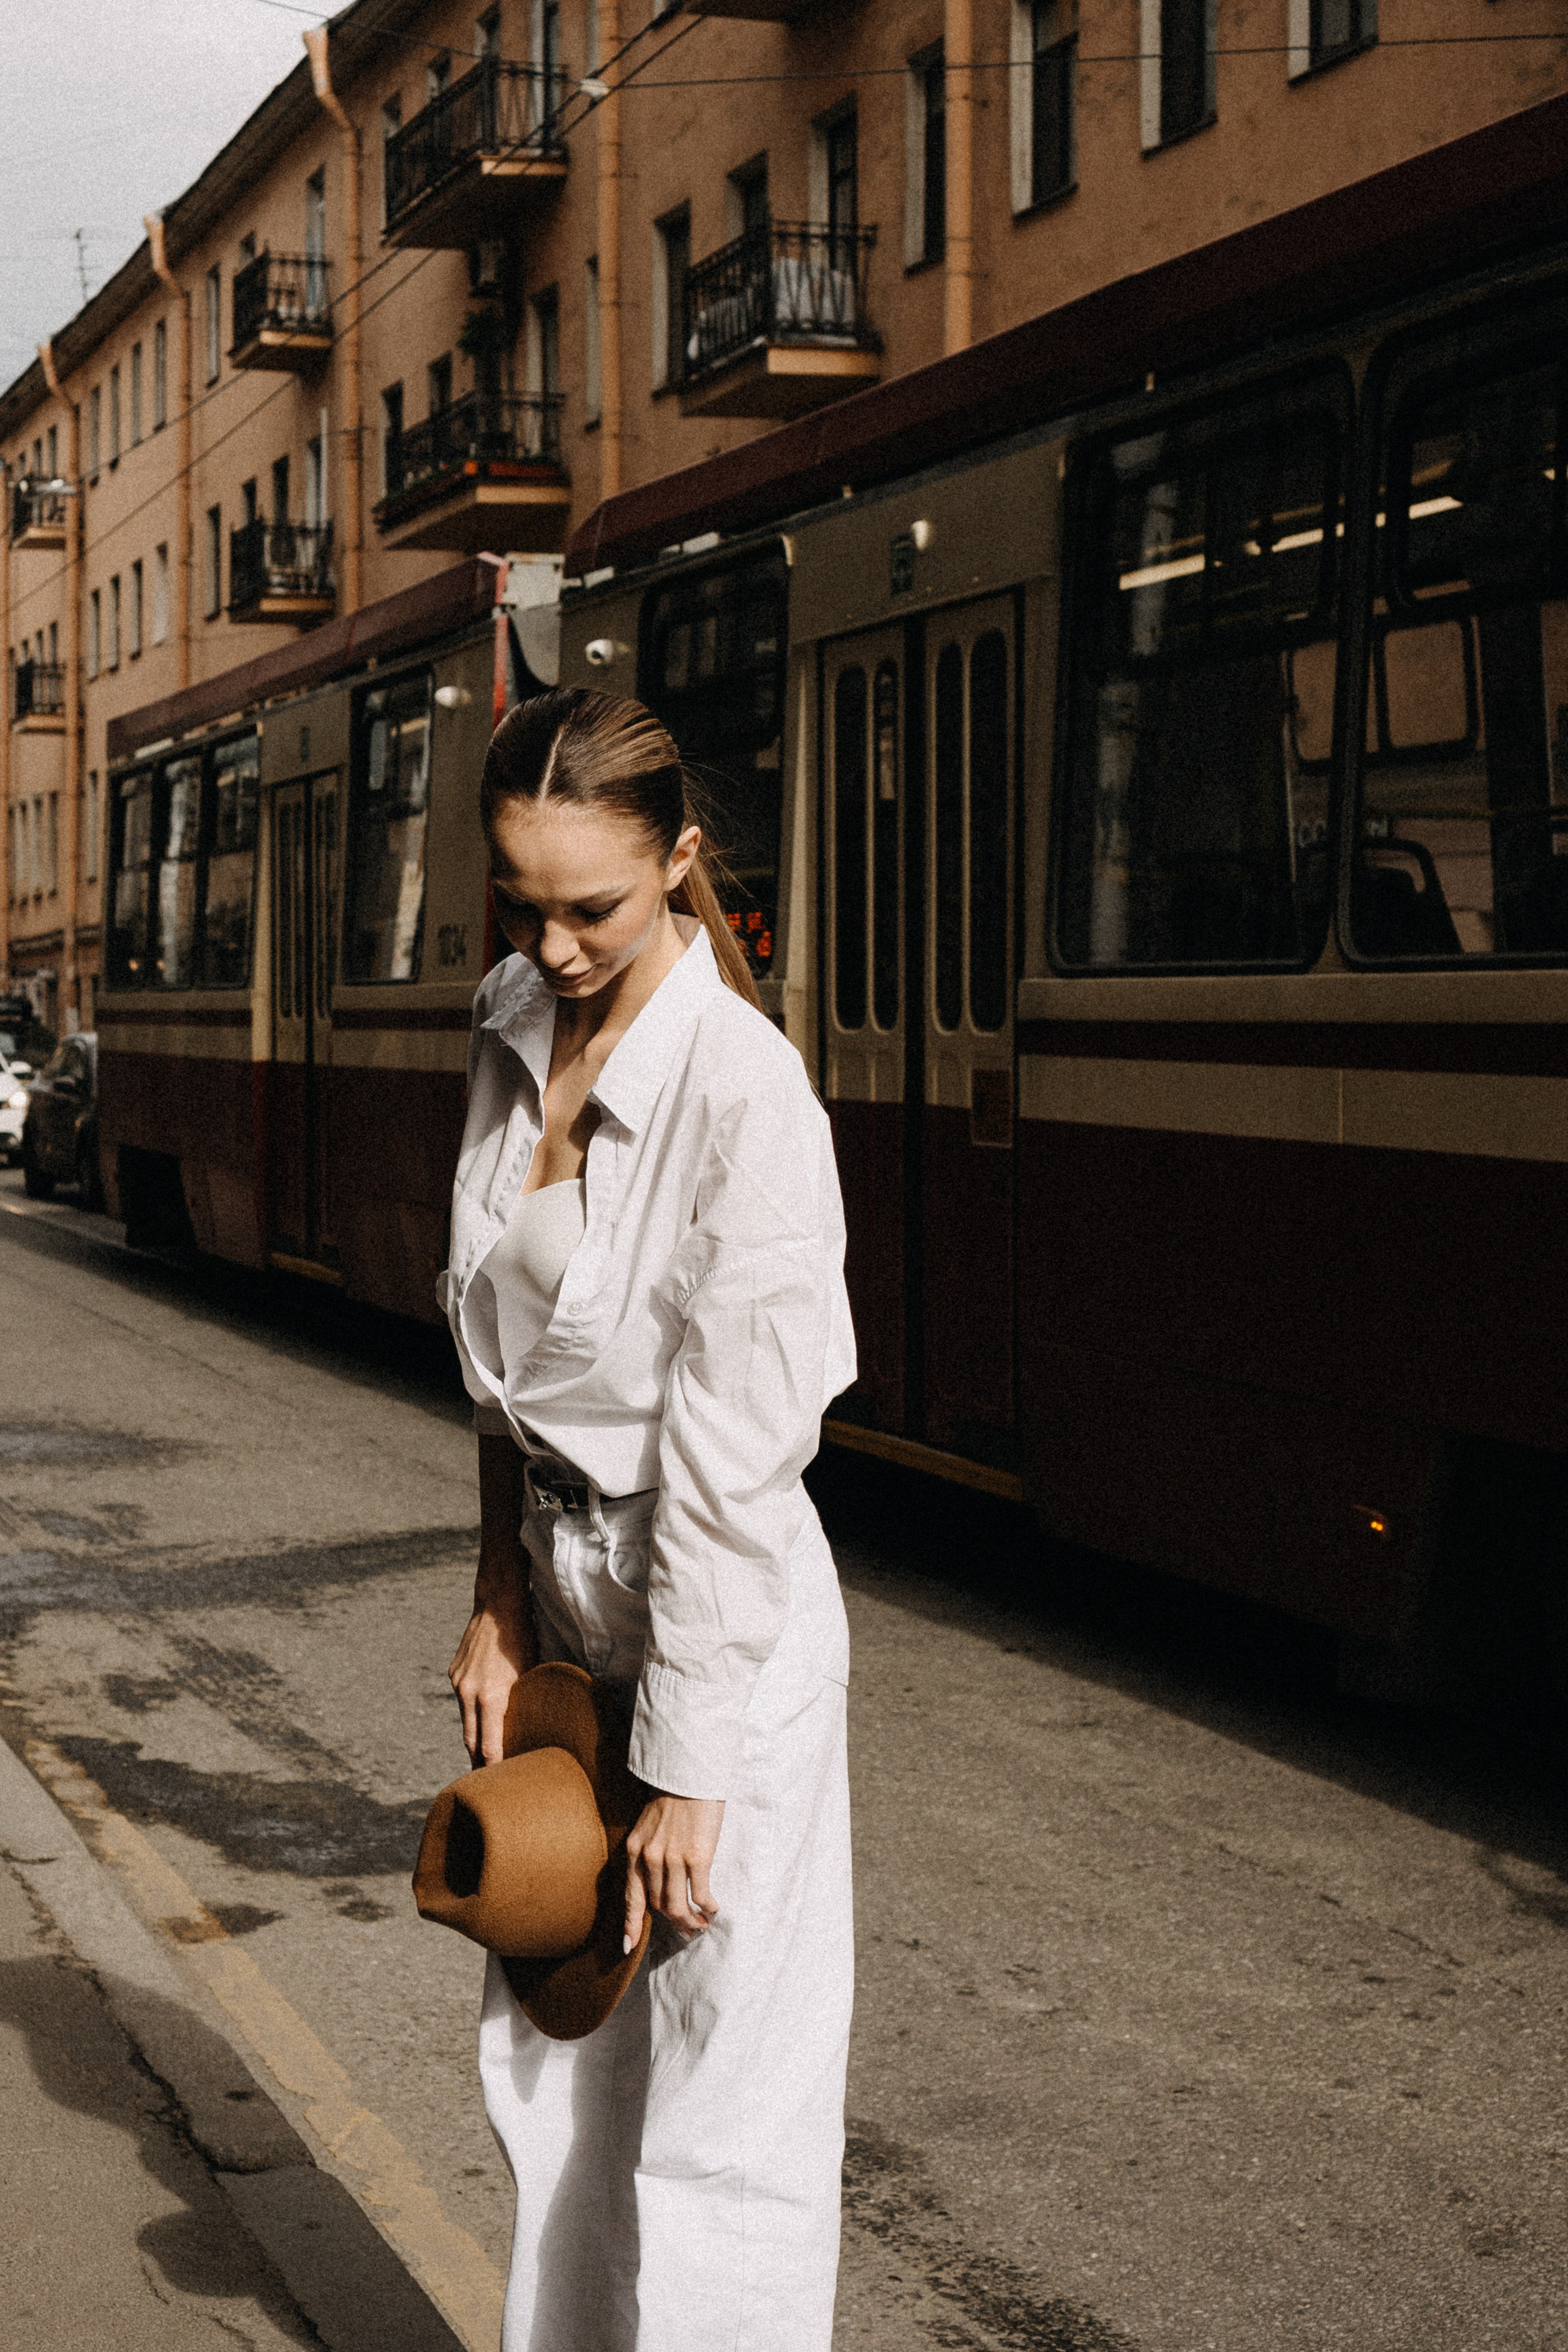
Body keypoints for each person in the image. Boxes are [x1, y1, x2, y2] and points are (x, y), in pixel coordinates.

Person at [439, 687, 856, 2352]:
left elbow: (733, 1470)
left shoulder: (746, 1099)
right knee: (552, 2058)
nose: (553, 944)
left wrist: (690, 1767)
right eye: (520, 903)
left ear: (683, 863)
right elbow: (495, 1367)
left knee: (718, 2122)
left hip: (721, 1641)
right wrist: (497, 1595)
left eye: (591, 908)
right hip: (566, 1595)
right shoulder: (510, 1020)